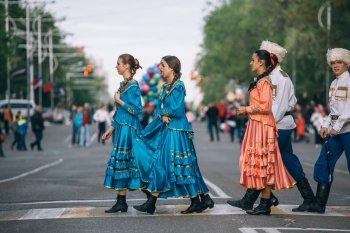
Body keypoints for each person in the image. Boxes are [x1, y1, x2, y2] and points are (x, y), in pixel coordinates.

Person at [228, 41, 314, 213]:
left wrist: (265, 128)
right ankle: (308, 198)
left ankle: (255, 199)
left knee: (265, 161)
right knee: (287, 160)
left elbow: (279, 108)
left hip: (277, 125)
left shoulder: (280, 78)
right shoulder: (266, 77)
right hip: (273, 125)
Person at [132, 55, 214, 215]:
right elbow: (158, 112)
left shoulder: (179, 86)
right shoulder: (164, 87)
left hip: (178, 131)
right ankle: (200, 199)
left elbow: (176, 109)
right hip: (168, 130)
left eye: (162, 65)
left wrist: (164, 113)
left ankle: (153, 203)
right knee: (179, 166)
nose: (160, 68)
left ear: (172, 67)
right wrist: (147, 130)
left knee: (171, 165)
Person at [233, 49, 295, 215]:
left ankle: (265, 203)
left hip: (263, 126)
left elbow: (266, 107)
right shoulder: (260, 80)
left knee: (264, 164)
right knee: (260, 164)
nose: (250, 62)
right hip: (257, 124)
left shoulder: (265, 82)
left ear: (261, 62)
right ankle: (265, 202)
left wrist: (245, 109)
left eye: (253, 60)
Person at [101, 54, 144, 213]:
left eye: (118, 63)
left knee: (135, 163)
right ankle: (121, 202)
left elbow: (137, 110)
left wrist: (119, 101)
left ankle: (151, 199)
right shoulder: (122, 85)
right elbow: (119, 114)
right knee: (122, 164)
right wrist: (110, 129)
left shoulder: (133, 86)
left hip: (130, 130)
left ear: (126, 66)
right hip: (121, 130)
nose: (116, 66)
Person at [311, 48, 350, 214]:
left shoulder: (349, 81)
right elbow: (333, 110)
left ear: (346, 63)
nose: (336, 65)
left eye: (339, 62)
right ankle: (319, 204)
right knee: (323, 164)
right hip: (335, 131)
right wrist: (326, 124)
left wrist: (336, 126)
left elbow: (348, 110)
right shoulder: (334, 83)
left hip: (347, 131)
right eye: (333, 62)